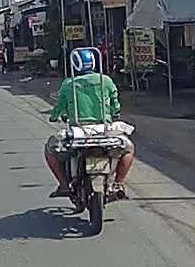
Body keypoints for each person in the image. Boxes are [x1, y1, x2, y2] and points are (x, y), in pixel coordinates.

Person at [45, 48, 134, 199]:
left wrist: (54, 117)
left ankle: (64, 185)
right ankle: (118, 184)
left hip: (78, 131)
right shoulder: (105, 80)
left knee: (50, 149)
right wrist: (115, 113)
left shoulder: (68, 84)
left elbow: (59, 108)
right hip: (104, 130)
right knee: (129, 149)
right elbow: (115, 104)